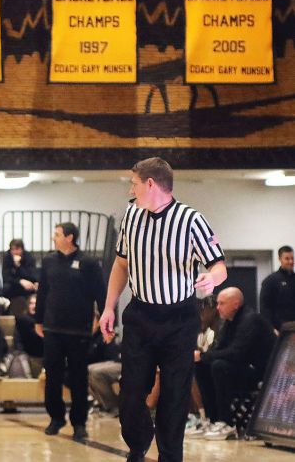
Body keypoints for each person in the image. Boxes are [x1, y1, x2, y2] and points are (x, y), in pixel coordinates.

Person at [100, 157, 228, 462]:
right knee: (131, 393)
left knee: (174, 394)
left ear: (150, 184)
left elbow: (219, 266)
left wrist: (211, 278)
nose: (130, 189)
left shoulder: (191, 220)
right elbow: (120, 264)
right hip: (140, 314)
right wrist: (108, 308)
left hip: (179, 319)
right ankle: (139, 443)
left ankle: (170, 456)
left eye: (133, 183)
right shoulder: (131, 215)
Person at [35, 222, 106, 442]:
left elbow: (101, 294)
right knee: (52, 376)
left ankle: (79, 423)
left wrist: (105, 319)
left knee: (78, 378)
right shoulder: (48, 261)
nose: (53, 238)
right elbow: (42, 292)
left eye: (57, 234)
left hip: (79, 330)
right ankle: (56, 418)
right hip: (52, 328)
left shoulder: (89, 262)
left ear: (70, 237)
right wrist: (38, 320)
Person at [193, 287, 276, 441]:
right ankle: (212, 419)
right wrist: (202, 357)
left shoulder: (251, 319)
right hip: (243, 368)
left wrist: (205, 356)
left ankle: (227, 423)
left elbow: (237, 353)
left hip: (261, 373)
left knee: (219, 366)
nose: (217, 308)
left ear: (235, 304)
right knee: (201, 365)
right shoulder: (230, 322)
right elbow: (219, 348)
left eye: (221, 303)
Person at [260, 245, 295, 335]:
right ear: (280, 259)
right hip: (279, 331)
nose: (291, 261)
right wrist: (271, 328)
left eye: (292, 258)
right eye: (287, 259)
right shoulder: (270, 281)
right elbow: (265, 309)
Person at [9, 294, 43, 379]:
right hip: (26, 351)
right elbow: (17, 339)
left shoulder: (47, 320)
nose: (34, 306)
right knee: (17, 356)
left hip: (44, 351)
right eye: (31, 303)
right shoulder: (22, 320)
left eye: (36, 303)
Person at [1, 239, 39, 305]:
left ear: (22, 249)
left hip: (28, 283)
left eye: (17, 249)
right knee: (5, 288)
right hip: (14, 284)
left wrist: (18, 266)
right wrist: (20, 281)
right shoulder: (7, 257)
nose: (15, 252)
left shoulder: (29, 257)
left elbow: (32, 275)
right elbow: (6, 277)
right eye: (12, 250)